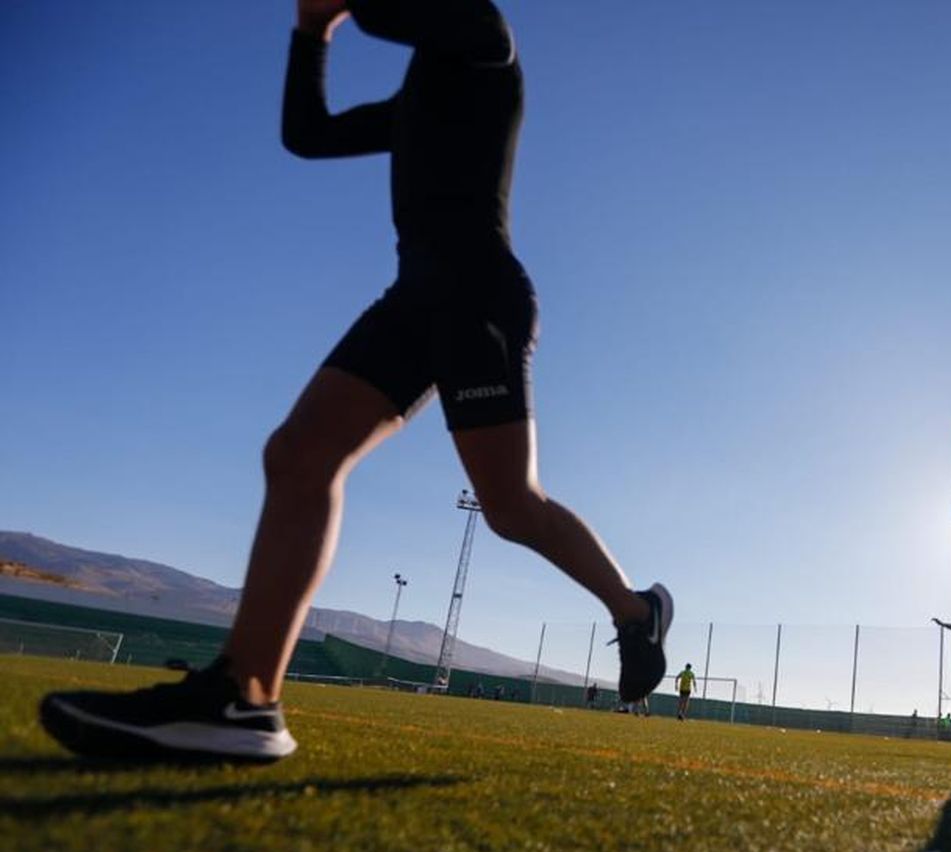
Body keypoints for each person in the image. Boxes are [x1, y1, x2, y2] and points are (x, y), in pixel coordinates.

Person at [37, 0, 672, 763]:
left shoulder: (483, 38)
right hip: (413, 302)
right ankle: (246, 698)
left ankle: (636, 611)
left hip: (479, 296)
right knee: (298, 455)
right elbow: (307, 134)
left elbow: (394, 15)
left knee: (509, 506)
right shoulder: (416, 100)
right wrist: (311, 32)